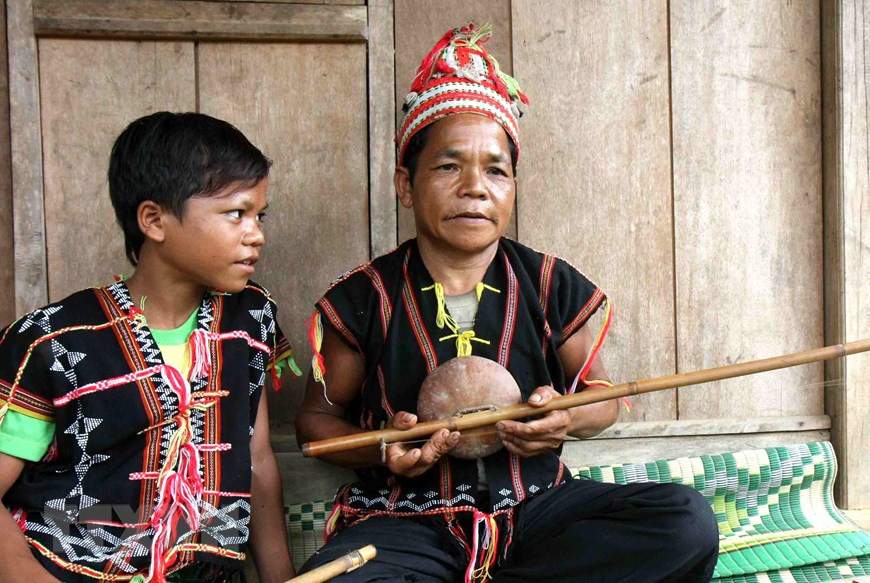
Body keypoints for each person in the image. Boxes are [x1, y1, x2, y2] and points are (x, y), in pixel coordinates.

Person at [295, 23, 720, 582]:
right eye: (449, 166)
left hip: (538, 508)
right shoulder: (360, 298)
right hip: (405, 518)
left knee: (683, 523)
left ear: (513, 186)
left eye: (496, 169)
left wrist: (563, 419)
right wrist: (384, 446)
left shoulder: (550, 283)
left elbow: (604, 398)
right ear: (406, 184)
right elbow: (317, 423)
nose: (476, 186)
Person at [0, 112, 296, 582]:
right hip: (69, 568)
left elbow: (256, 459)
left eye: (260, 215)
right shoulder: (53, 344)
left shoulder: (249, 321)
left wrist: (282, 577)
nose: (256, 233)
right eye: (236, 213)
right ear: (154, 220)